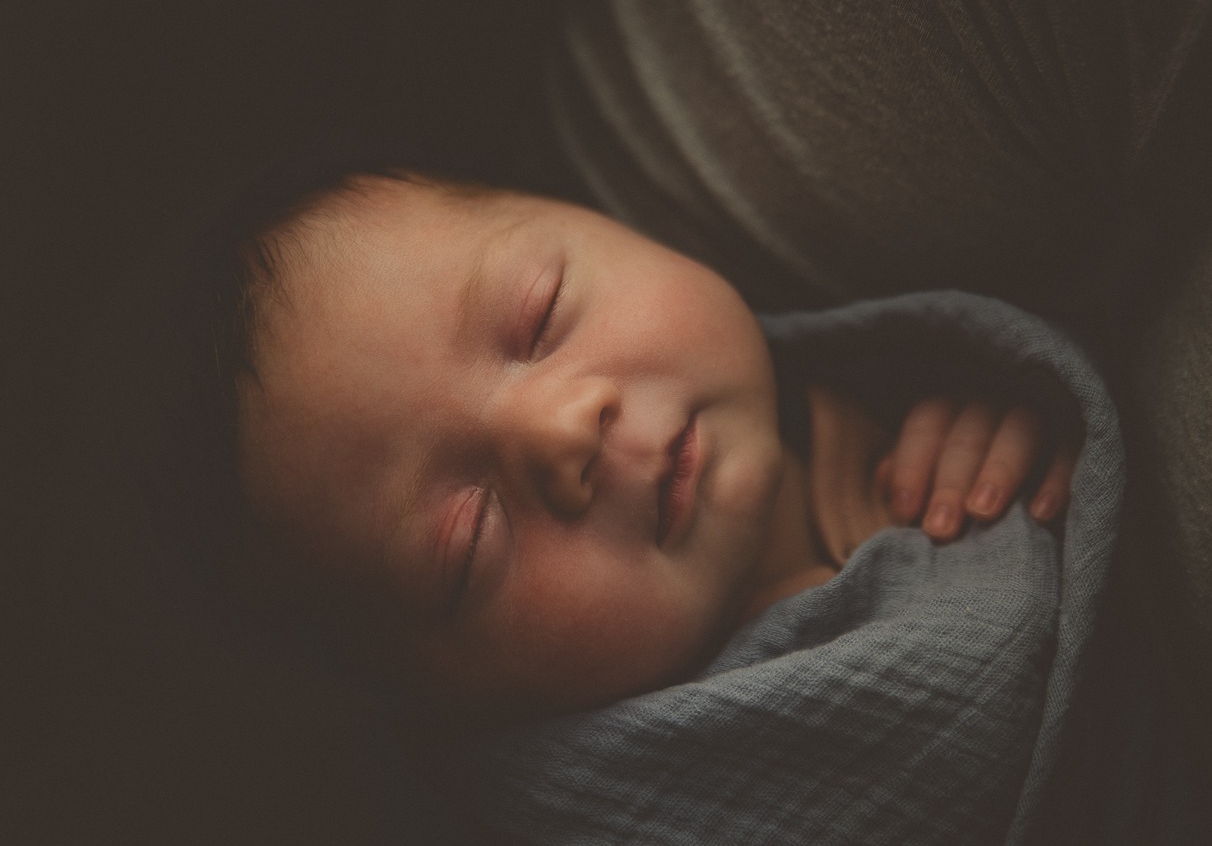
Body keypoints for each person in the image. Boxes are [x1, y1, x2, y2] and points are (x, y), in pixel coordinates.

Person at [181, 160, 1080, 730]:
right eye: (469, 537)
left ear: (593, 214)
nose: (563, 430)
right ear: (448, 709)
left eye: (538, 315)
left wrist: (1012, 467)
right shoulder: (658, 784)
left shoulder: (899, 379)